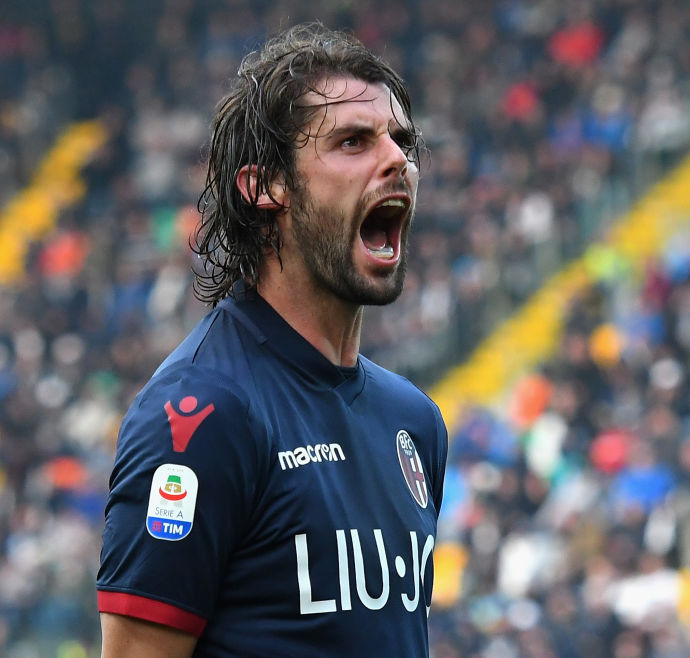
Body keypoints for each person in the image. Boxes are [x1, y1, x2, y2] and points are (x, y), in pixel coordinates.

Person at [96, 23, 448, 657]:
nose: (398, 159)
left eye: (401, 140)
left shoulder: (414, 422)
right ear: (265, 187)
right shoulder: (201, 414)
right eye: (352, 141)